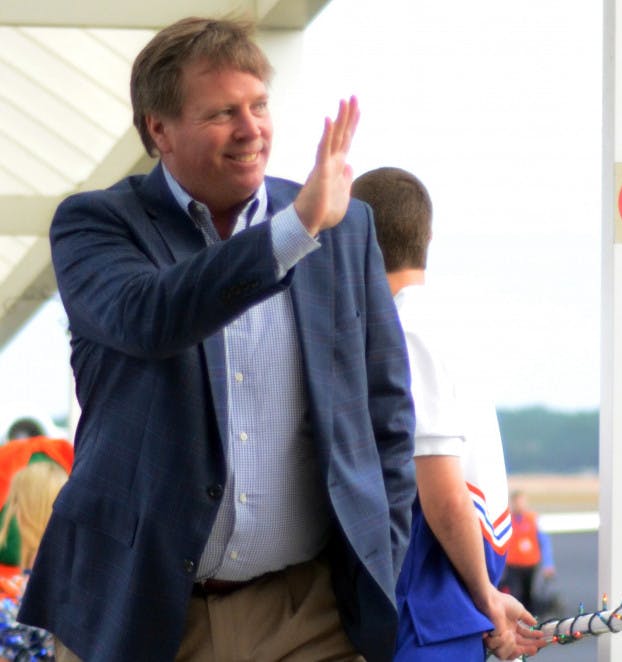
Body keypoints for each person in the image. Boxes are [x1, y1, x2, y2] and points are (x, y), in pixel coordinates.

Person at [18, 17, 416, 662]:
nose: (251, 128)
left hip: (307, 614)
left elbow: (386, 414)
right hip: (139, 613)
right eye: (222, 112)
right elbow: (149, 316)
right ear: (158, 129)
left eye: (258, 105)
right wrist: (296, 229)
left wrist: (383, 557)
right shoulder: (96, 225)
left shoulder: (347, 229)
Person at [353, 167, 545, 661]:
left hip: (429, 603)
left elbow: (443, 494)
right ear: (428, 236)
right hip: (448, 605)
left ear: (354, 237)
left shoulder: (404, 331)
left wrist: (486, 597)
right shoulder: (447, 326)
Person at [501, 490, 556, 616]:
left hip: (530, 564)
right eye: (516, 502)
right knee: (514, 594)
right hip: (512, 565)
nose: (519, 505)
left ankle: (530, 622)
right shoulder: (507, 520)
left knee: (529, 595)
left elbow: (544, 542)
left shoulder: (533, 519)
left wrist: (548, 564)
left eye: (521, 502)